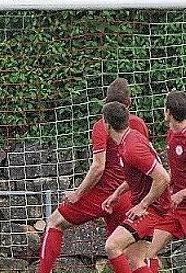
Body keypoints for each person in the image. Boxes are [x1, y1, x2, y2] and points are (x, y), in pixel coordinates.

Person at [37, 78, 150, 273]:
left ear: (105, 101)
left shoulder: (102, 125)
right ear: (129, 103)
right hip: (128, 195)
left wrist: (78, 194)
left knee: (55, 222)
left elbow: (98, 167)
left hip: (102, 195)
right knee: (134, 256)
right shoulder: (139, 124)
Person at [101, 101, 171, 273]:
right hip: (149, 206)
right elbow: (137, 176)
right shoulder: (128, 140)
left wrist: (143, 205)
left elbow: (163, 178)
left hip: (153, 209)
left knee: (112, 246)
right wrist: (117, 194)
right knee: (134, 261)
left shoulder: (132, 147)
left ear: (106, 124)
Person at [144, 90, 186, 273]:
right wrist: (167, 183)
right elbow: (176, 168)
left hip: (181, 200)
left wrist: (181, 193)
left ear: (168, 111)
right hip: (178, 209)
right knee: (148, 252)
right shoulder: (171, 135)